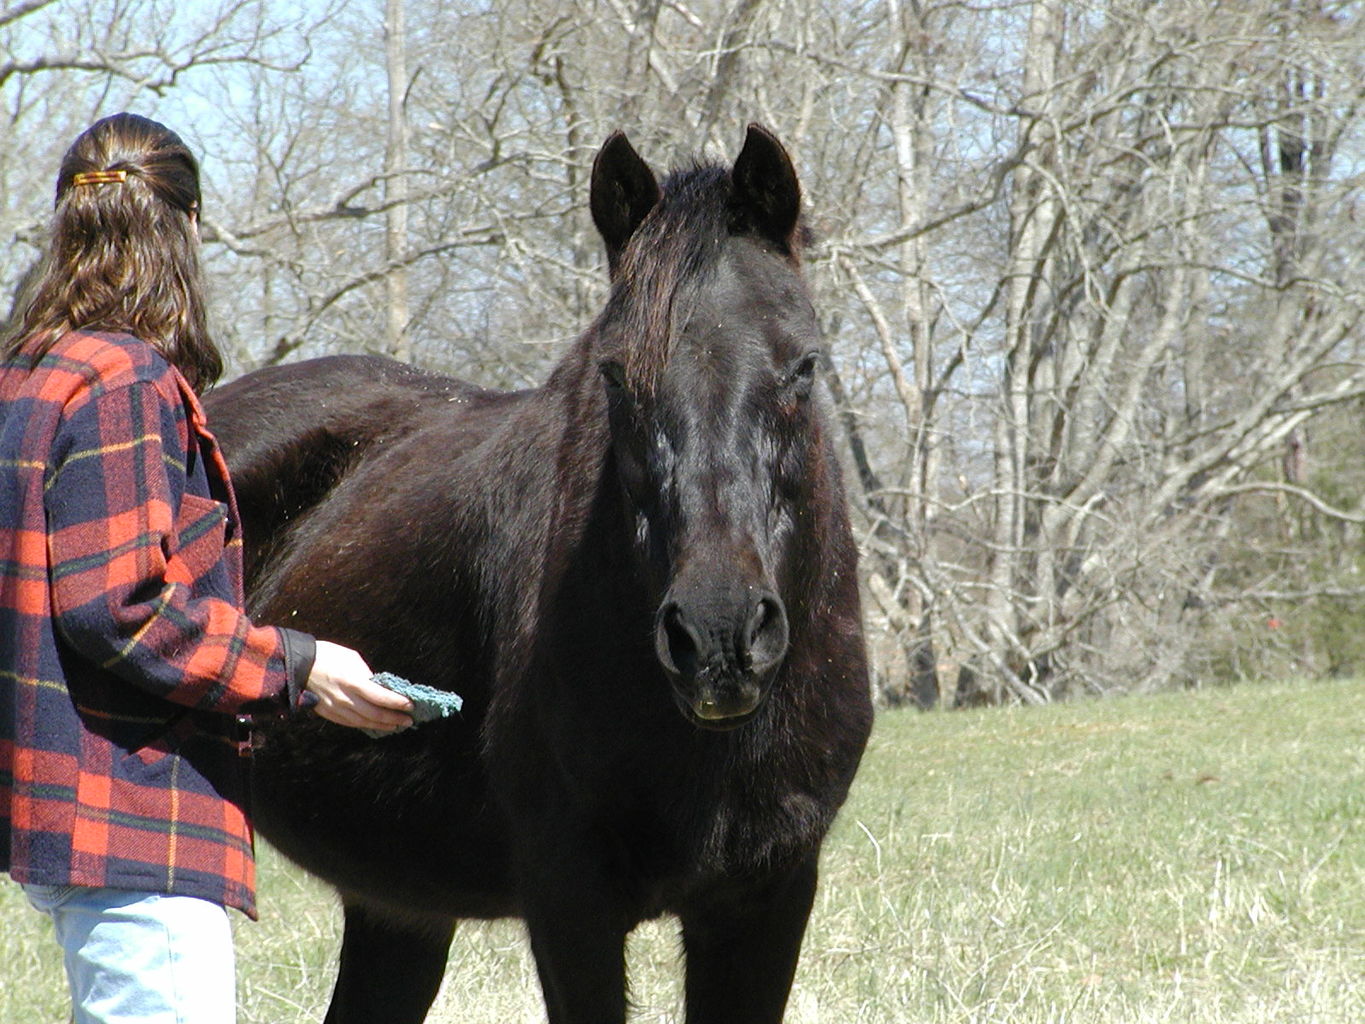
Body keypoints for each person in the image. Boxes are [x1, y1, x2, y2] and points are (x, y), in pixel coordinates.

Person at [0, 113, 414, 1023]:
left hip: (68, 815)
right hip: (132, 819)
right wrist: (298, 666)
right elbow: (120, 609)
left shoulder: (30, 374)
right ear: (182, 229)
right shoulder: (123, 382)